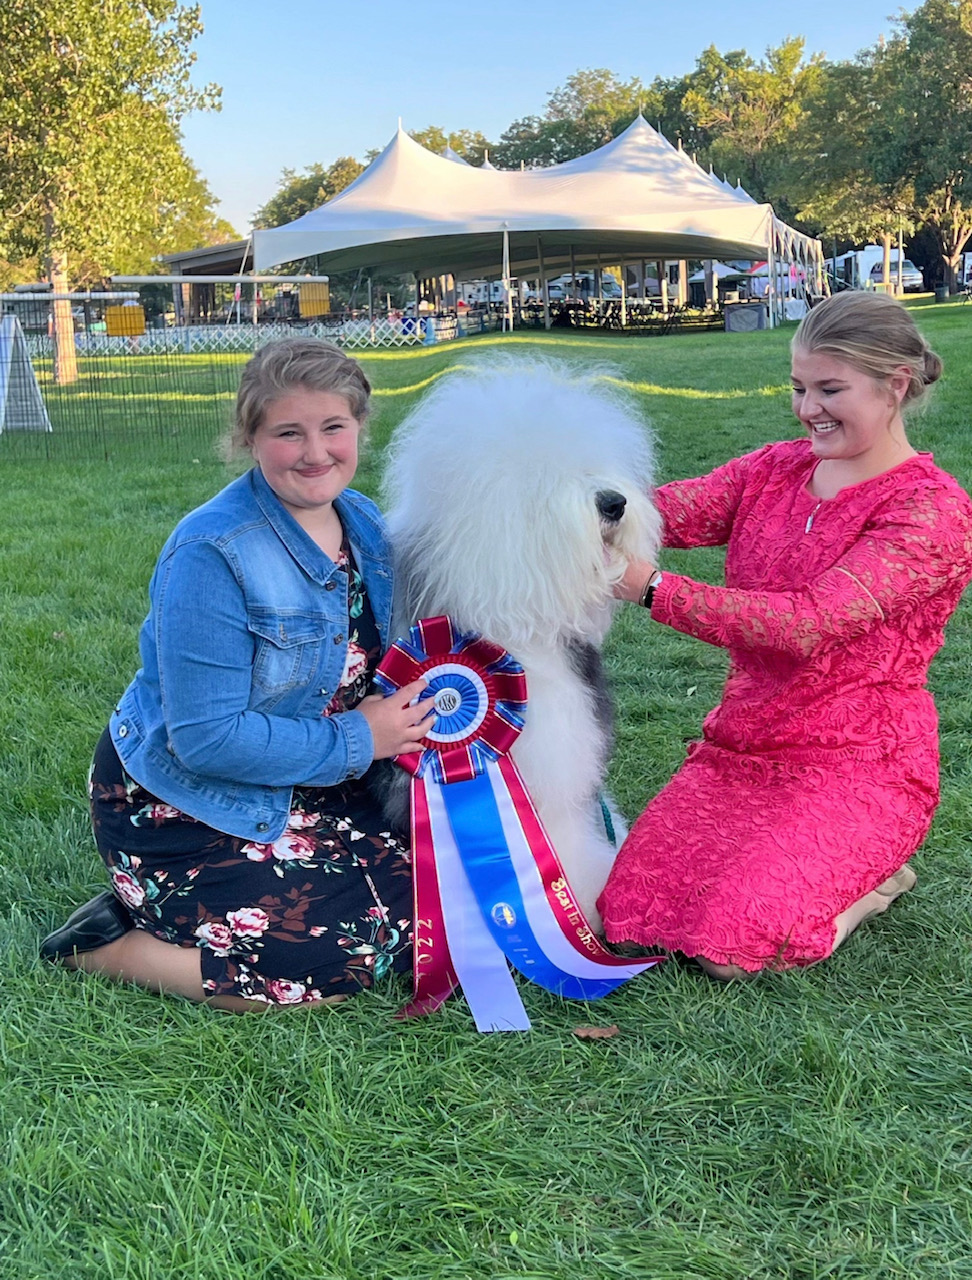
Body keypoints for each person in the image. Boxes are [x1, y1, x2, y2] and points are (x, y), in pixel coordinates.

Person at [41, 338, 433, 1010]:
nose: (316, 452)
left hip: (307, 780)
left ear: (359, 428)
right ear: (251, 438)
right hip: (188, 800)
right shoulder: (210, 552)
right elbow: (206, 739)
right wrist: (359, 738)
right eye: (289, 433)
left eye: (333, 427)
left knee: (435, 901)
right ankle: (109, 948)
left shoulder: (365, 524)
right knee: (333, 961)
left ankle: (183, 909)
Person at [598, 291, 972, 979]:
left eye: (831, 389)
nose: (807, 409)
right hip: (740, 747)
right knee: (628, 914)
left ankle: (873, 888)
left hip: (860, 763)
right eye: (799, 387)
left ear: (894, 385)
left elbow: (809, 624)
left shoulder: (931, 510)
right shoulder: (776, 467)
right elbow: (667, 512)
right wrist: (584, 503)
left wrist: (650, 587)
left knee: (731, 951)